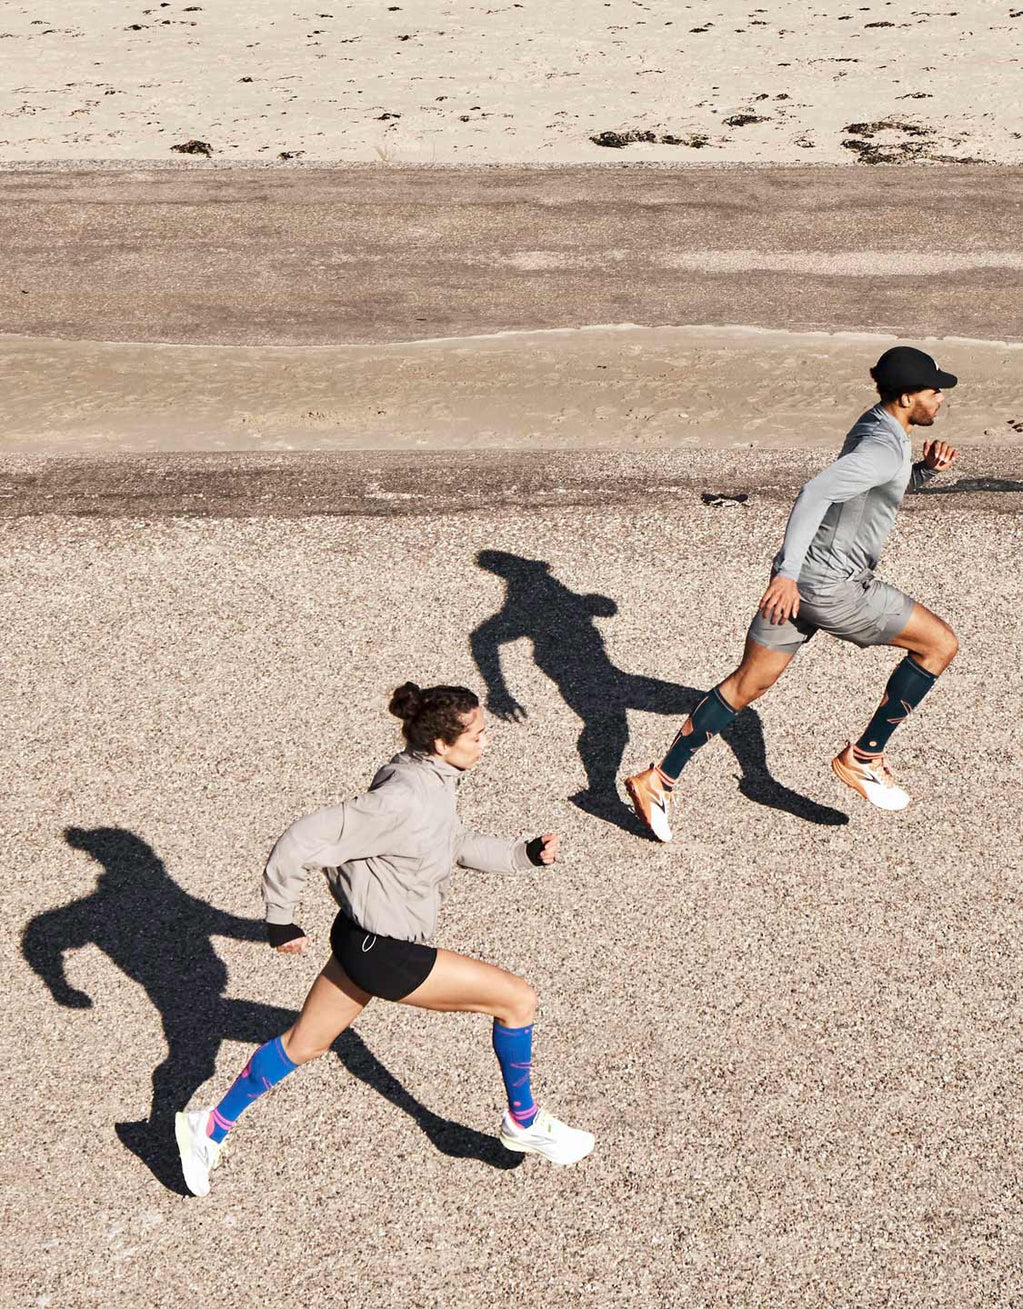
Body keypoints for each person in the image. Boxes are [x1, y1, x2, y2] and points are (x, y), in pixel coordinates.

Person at [175, 682, 594, 1196]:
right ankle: (523, 1121)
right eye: (478, 735)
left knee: (303, 1044)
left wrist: (520, 854)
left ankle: (207, 1128)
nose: (485, 743)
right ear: (442, 743)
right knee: (517, 999)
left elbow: (449, 841)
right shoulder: (401, 797)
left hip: (357, 940)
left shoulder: (424, 776)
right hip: (386, 953)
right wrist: (279, 918)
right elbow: (305, 837)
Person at [625, 346, 961, 840]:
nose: (941, 399)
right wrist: (785, 572)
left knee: (748, 686)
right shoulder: (884, 446)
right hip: (830, 585)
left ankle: (658, 779)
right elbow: (816, 492)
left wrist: (923, 472)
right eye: (935, 391)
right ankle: (865, 757)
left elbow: (870, 489)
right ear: (909, 397)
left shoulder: (876, 426)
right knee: (939, 644)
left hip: (801, 581)